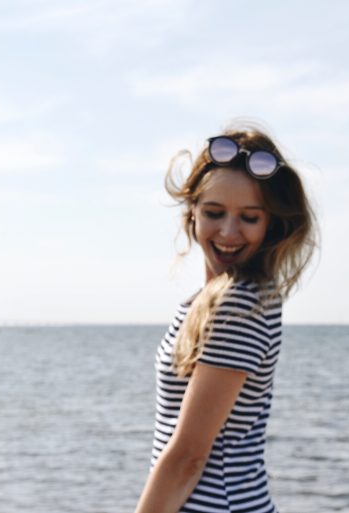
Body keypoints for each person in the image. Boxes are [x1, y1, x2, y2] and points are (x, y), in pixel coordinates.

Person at [134, 124, 316, 513]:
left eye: (249, 217)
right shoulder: (220, 300)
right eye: (214, 212)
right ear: (192, 213)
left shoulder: (238, 305)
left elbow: (189, 458)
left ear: (271, 224)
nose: (229, 232)